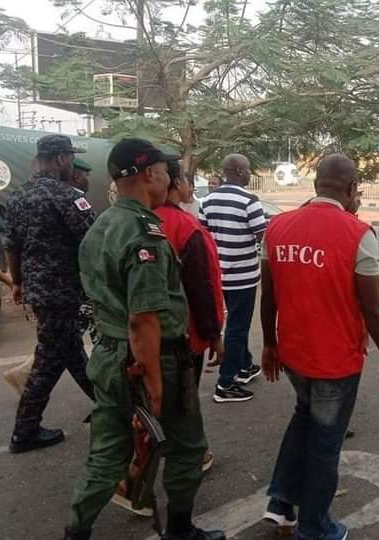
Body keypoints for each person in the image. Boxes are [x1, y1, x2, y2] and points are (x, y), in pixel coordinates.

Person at [65, 138, 224, 540]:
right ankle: (181, 530)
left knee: (105, 455)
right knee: (187, 448)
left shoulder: (102, 223)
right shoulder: (146, 233)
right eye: (167, 172)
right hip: (152, 360)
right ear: (151, 173)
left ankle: (75, 532)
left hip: (107, 354)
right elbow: (144, 319)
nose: (170, 179)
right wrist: (153, 382)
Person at [260, 153, 379, 540]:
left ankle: (281, 504)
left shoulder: (278, 227)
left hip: (293, 354)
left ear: (316, 184)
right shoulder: (358, 233)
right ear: (353, 188)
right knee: (325, 441)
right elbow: (373, 308)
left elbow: (268, 295)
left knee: (303, 417)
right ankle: (315, 526)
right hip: (335, 360)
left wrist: (269, 344)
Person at [5, 134, 96, 454]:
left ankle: (110, 408)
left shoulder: (17, 197)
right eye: (70, 158)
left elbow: (11, 247)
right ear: (60, 159)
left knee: (71, 352)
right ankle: (24, 431)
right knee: (48, 361)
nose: (72, 163)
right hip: (65, 293)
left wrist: (18, 283)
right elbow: (92, 243)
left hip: (39, 292)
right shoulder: (66, 196)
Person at [154, 159, 225, 474]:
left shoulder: (137, 221)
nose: (190, 186)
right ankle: (191, 454)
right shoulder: (187, 228)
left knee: (156, 395)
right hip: (184, 333)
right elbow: (202, 287)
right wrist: (214, 334)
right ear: (174, 182)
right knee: (184, 398)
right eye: (186, 179)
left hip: (144, 331)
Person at [199, 154, 267, 403]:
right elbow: (262, 237)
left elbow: (204, 236)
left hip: (219, 274)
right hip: (243, 276)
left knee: (237, 324)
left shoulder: (207, 200)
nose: (250, 173)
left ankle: (245, 365)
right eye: (248, 169)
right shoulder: (249, 201)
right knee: (238, 327)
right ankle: (226, 383)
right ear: (238, 171)